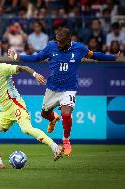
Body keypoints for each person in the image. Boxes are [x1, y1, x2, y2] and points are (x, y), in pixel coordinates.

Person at [8, 27, 119, 156]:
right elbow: (36, 57)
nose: (58, 44)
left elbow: (94, 55)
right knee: (44, 114)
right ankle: (53, 118)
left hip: (69, 89)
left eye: (61, 42)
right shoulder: (51, 47)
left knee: (66, 115)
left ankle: (66, 140)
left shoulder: (79, 48)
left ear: (68, 40)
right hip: (52, 88)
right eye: (57, 41)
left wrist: (113, 57)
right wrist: (16, 56)